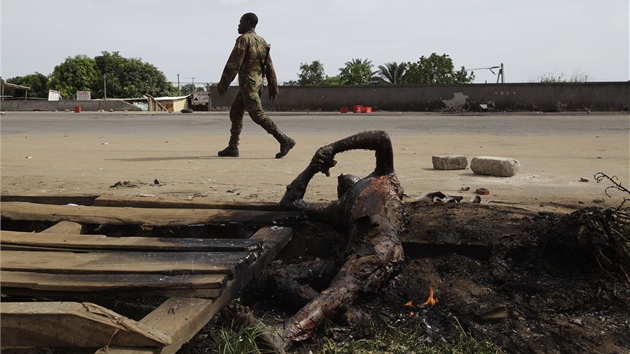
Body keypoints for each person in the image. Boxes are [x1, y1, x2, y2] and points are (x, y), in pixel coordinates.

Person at [222, 130, 407, 352]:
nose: (341, 176)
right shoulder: (338, 209)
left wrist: (333, 147)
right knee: (281, 277)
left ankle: (284, 335)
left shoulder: (383, 178)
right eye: (339, 181)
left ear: (361, 179)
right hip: (349, 258)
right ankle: (343, 314)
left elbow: (381, 138)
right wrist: (312, 168)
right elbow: (290, 202)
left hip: (380, 248)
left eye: (347, 176)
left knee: (338, 291)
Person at [216, 12, 295, 158]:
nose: (238, 25)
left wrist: (223, 84)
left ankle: (284, 139)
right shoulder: (262, 41)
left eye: (240, 22)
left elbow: (233, 64)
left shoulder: (243, 39)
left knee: (257, 114)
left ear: (247, 23)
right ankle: (233, 146)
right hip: (257, 84)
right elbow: (269, 66)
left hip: (248, 85)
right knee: (235, 111)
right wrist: (273, 87)